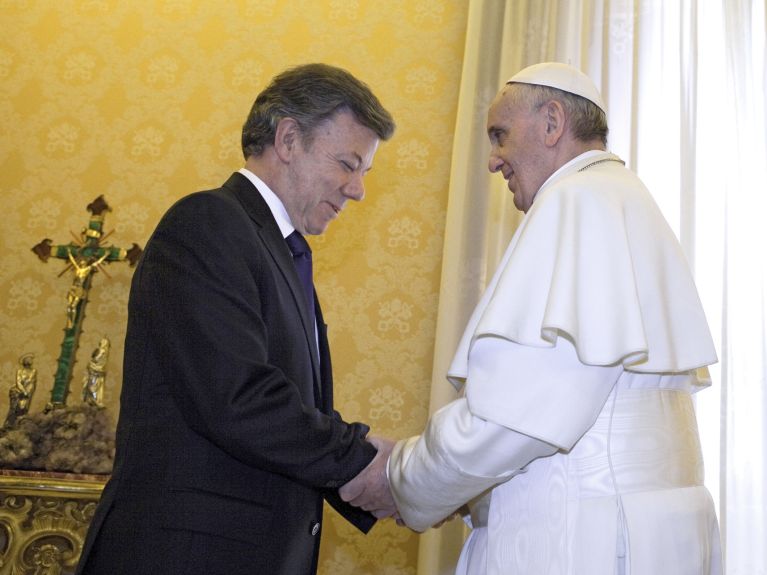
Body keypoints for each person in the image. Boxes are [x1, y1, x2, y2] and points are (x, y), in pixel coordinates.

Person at [341, 62, 722, 574]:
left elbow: (513, 419)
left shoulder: (575, 202)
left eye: (500, 135)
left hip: (579, 536)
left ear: (552, 122)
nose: (494, 161)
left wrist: (403, 475)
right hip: (647, 527)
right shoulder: (623, 197)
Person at [76, 63, 396, 575]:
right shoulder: (208, 223)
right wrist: (367, 461)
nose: (357, 189)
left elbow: (279, 401)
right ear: (289, 138)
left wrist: (378, 466)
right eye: (347, 163)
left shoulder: (278, 250)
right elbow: (238, 396)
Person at [4, 354, 37, 427]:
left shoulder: (34, 371)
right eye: (29, 359)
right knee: (15, 408)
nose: (31, 361)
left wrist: (28, 392)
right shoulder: (20, 371)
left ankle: (19, 425)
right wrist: (23, 391)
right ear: (25, 361)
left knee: (24, 408)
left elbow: (32, 382)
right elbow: (18, 382)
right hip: (19, 393)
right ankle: (10, 425)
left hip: (28, 393)